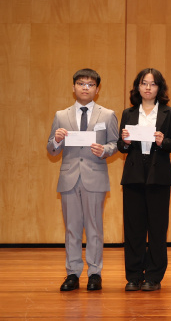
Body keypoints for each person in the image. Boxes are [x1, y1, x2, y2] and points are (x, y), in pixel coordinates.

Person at [46, 69, 119, 292]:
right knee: (72, 228)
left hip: (95, 177)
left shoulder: (107, 115)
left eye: (90, 84)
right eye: (80, 83)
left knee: (95, 228)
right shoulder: (61, 115)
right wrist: (56, 140)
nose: (85, 87)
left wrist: (104, 149)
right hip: (69, 178)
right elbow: (51, 148)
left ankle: (95, 273)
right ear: (73, 87)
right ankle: (73, 273)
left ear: (97, 89)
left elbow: (116, 144)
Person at [117, 68, 171, 291]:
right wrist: (125, 142)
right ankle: (133, 275)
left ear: (159, 88)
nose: (147, 88)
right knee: (134, 228)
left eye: (153, 84)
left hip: (158, 173)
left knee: (157, 228)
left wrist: (164, 141)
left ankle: (153, 276)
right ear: (137, 86)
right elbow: (121, 146)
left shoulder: (169, 113)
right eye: (144, 83)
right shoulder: (128, 113)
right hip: (134, 173)